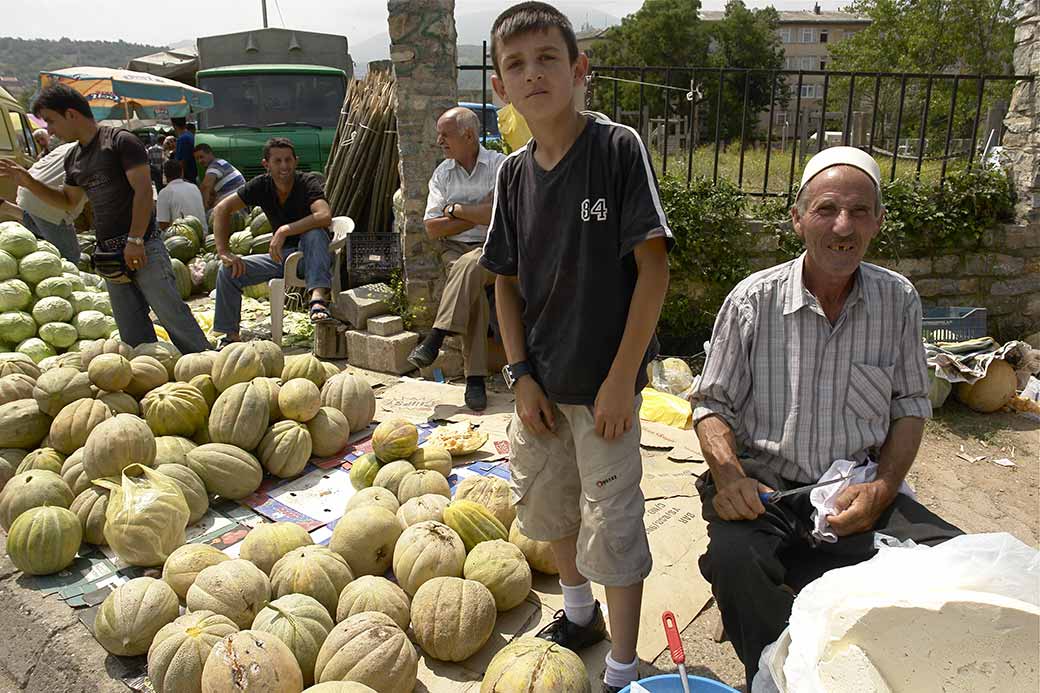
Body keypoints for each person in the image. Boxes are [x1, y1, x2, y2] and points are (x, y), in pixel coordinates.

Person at [689, 146, 964, 691]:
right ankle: (776, 676)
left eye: (860, 211)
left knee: (952, 568)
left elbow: (910, 404)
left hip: (855, 490)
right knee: (735, 560)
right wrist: (727, 475)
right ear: (797, 219)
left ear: (878, 222)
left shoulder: (898, 300)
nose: (843, 226)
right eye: (826, 209)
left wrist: (883, 489)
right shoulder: (753, 301)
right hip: (765, 490)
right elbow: (710, 404)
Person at [479, 4, 672, 692]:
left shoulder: (617, 150)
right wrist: (520, 373)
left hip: (604, 392)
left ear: (578, 69)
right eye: (516, 64)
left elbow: (654, 268)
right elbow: (503, 284)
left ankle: (622, 666)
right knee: (550, 504)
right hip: (540, 387)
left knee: (614, 523)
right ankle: (579, 612)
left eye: (547, 58)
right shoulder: (510, 176)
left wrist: (623, 378)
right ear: (500, 87)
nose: (533, 74)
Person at [0, 85, 210, 354]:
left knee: (173, 318)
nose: (50, 130)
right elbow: (67, 202)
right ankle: (155, 380)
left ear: (71, 114)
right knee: (132, 332)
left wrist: (135, 239)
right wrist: (27, 181)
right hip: (109, 255)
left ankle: (209, 365)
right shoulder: (74, 157)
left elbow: (144, 191)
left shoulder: (121, 141)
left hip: (142, 246)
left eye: (51, 121)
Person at [407, 107, 506, 411]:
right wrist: (480, 214)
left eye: (445, 134)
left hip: (495, 248)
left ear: (468, 136)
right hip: (454, 251)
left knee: (474, 264)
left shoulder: (500, 166)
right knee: (470, 276)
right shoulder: (443, 173)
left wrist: (457, 210)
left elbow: (504, 216)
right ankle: (474, 379)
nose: (439, 141)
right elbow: (433, 228)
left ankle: (436, 338)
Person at [210, 137, 334, 347]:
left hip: (311, 258)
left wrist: (285, 230)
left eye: (288, 160)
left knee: (314, 233)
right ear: (266, 164)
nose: (284, 166)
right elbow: (222, 209)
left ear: (296, 161)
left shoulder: (307, 182)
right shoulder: (261, 185)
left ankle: (318, 300)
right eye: (277, 161)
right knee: (229, 271)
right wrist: (224, 251)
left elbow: (324, 216)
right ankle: (230, 336)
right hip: (281, 259)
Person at [16, 140, 85, 262]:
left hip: (27, 187)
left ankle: (8, 208)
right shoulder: (96, 155)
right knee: (70, 256)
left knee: (42, 224)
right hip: (48, 199)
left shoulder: (70, 145)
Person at [156, 159, 208, 235]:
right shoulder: (194, 187)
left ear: (165, 175)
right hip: (203, 234)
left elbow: (163, 225)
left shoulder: (164, 193)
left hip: (184, 238)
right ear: (182, 173)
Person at [193, 143, 246, 209]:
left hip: (236, 203)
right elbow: (212, 193)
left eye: (201, 157)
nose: (200, 161)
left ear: (210, 154)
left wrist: (203, 208)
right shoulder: (220, 162)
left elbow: (205, 187)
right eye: (197, 159)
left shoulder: (215, 165)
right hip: (240, 200)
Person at [171, 118, 197, 183]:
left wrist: (178, 179)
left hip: (187, 176)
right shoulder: (190, 135)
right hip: (193, 173)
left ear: (174, 125)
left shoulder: (183, 138)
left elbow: (181, 162)